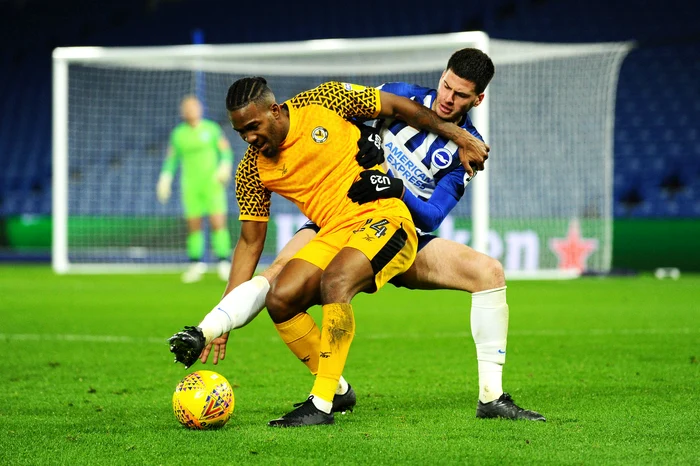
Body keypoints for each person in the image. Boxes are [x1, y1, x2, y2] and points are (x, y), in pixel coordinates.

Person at [172, 48, 545, 423]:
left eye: (460, 95)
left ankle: (491, 398)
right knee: (277, 282)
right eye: (446, 85)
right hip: (335, 218)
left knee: (489, 273)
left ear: (477, 99)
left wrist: (395, 187)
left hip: (398, 227)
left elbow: (432, 216)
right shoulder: (400, 96)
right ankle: (325, 385)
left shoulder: (469, 149)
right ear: (442, 75)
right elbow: (364, 116)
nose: (448, 98)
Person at [156, 95, 234, 283]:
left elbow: (225, 151)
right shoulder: (178, 134)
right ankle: (196, 264)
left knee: (218, 222)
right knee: (194, 225)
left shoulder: (212, 129)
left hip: (212, 183)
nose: (191, 111)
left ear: (200, 109)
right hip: (190, 185)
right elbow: (172, 159)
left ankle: (223, 262)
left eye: (194, 107)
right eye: (188, 108)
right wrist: (165, 178)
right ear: (183, 112)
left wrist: (224, 167)